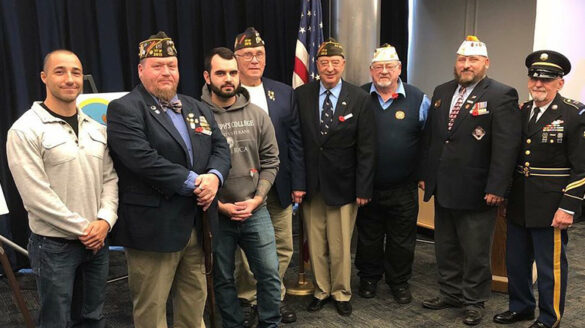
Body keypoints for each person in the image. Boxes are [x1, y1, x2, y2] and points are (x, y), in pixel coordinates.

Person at [106, 32, 230, 328]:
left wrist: (214, 177)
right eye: (157, 65)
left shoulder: (196, 107)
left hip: (198, 225)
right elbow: (142, 159)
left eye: (171, 65)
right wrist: (195, 183)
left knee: (194, 300)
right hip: (154, 228)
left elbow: (221, 148)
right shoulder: (125, 108)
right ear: (141, 69)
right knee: (152, 308)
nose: (166, 72)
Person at [6, 49, 119, 327]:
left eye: (76, 72)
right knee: (56, 321)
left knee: (92, 317)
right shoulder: (25, 130)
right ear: (44, 77)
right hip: (53, 247)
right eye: (60, 71)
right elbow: (36, 197)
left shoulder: (95, 127)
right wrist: (85, 229)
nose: (70, 79)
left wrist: (105, 221)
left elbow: (110, 179)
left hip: (97, 243)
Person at [418, 36, 521, 326]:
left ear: (485, 63)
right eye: (462, 59)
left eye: (473, 60)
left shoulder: (502, 94)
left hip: (478, 191)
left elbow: (506, 146)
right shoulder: (442, 91)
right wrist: (427, 175)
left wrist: (497, 187)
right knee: (445, 246)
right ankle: (450, 292)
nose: (466, 65)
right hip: (444, 187)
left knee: (475, 251)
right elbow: (433, 139)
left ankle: (474, 301)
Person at [493, 51, 585, 328]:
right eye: (534, 78)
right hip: (520, 200)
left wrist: (568, 207)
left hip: (552, 205)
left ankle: (550, 317)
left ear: (560, 82)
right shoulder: (521, 111)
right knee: (517, 263)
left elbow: (582, 168)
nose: (538, 84)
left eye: (547, 79)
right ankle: (521, 307)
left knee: (549, 267)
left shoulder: (574, 113)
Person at [201, 47, 281, 328]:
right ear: (207, 76)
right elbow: (193, 168)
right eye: (221, 73)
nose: (228, 78)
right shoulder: (196, 117)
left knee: (270, 273)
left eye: (233, 72)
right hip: (216, 213)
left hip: (255, 210)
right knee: (222, 277)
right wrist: (218, 205)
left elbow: (272, 161)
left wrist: (258, 199)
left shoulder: (258, 115)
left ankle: (270, 323)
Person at [296, 38, 376, 316]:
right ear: (317, 65)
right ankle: (321, 290)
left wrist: (363, 188)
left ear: (343, 65)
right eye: (324, 63)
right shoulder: (302, 95)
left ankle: (341, 292)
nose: (329, 68)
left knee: (341, 244)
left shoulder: (360, 98)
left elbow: (366, 148)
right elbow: (298, 143)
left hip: (344, 185)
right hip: (312, 184)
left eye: (335, 62)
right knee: (315, 243)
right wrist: (298, 183)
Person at [232, 26, 305, 325]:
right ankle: (251, 299)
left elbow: (296, 142)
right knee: (250, 252)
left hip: (280, 185)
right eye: (247, 54)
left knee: (284, 244)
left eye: (259, 54)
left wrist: (299, 183)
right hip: (244, 188)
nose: (254, 59)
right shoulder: (226, 92)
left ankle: (272, 295)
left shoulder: (284, 92)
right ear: (235, 58)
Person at [355, 44, 430, 304]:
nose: (384, 71)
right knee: (368, 237)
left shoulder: (418, 98)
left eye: (389, 67)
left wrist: (423, 174)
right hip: (369, 186)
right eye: (378, 67)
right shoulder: (359, 96)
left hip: (404, 186)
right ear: (371, 71)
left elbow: (428, 140)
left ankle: (398, 282)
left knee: (402, 239)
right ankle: (368, 278)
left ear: (399, 69)